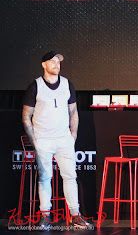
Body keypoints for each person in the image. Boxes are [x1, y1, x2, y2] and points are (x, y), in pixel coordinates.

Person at [22, 51, 94, 230]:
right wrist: (35, 141)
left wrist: (73, 136)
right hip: (43, 139)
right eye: (52, 61)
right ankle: (45, 217)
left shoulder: (67, 84)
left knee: (70, 176)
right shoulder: (36, 86)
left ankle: (76, 216)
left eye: (58, 61)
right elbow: (26, 117)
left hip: (64, 139)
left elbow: (73, 111)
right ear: (43, 65)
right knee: (45, 177)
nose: (56, 64)